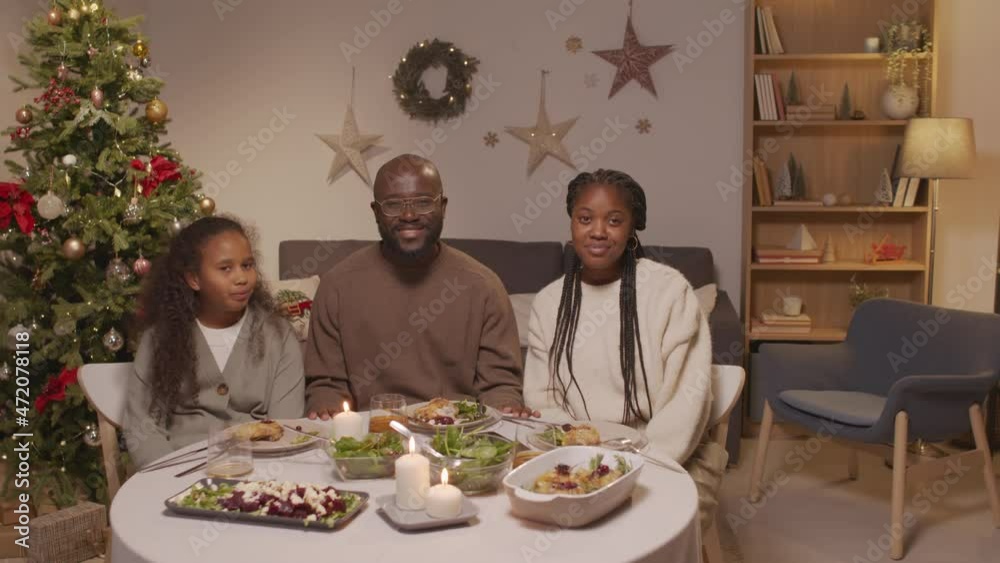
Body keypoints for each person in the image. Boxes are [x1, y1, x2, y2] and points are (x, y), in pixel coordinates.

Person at [522, 169, 726, 529]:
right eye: (585, 219)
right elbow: (543, 402)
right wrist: (583, 460)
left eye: (614, 220)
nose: (598, 231)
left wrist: (627, 466)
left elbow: (687, 401)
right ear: (572, 224)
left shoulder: (668, 291)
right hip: (574, 456)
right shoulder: (549, 302)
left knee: (641, 531)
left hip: (667, 456)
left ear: (633, 227)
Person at [305, 154, 536, 419]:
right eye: (393, 205)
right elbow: (325, 386)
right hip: (369, 441)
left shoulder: (484, 287)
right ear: (376, 212)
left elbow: (500, 385)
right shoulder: (336, 287)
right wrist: (327, 408)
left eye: (424, 202)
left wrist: (506, 406)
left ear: (443, 206)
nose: (409, 215)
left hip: (457, 440)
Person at [123, 216, 305, 469]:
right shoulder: (159, 338)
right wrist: (169, 479)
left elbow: (285, 426)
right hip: (177, 474)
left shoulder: (279, 335)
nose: (242, 278)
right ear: (194, 279)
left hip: (258, 475)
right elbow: (143, 428)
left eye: (247, 265)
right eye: (225, 268)